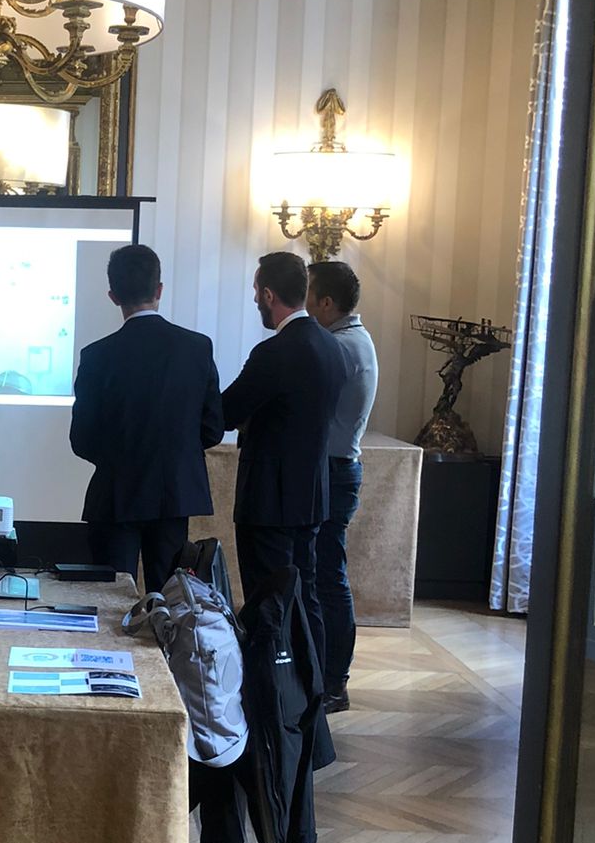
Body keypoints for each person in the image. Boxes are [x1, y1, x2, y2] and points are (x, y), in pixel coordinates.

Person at [221, 249, 347, 679]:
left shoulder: (273, 353)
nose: (255, 299)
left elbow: (227, 411)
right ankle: (311, 692)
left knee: (267, 601)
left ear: (269, 295)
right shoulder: (332, 347)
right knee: (306, 598)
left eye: (257, 291)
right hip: (311, 496)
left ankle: (268, 696)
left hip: (268, 502)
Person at [69, 241, 223, 593]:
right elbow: (212, 428)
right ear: (160, 290)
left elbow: (82, 439)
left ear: (113, 296)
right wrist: (174, 453)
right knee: (169, 599)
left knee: (110, 597)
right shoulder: (197, 347)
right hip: (174, 494)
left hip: (115, 494)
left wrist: (120, 460)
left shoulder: (96, 356)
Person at [306, 259, 379, 713]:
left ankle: (334, 682)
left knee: (329, 579)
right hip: (336, 469)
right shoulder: (354, 339)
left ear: (326, 303)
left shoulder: (340, 347)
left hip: (332, 471)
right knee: (324, 575)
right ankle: (327, 677)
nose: (304, 304)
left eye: (308, 295)